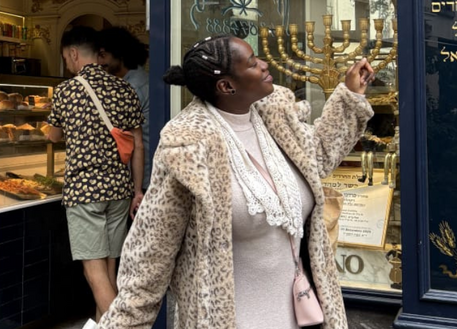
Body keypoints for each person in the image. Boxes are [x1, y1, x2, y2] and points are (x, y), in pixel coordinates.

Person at [99, 34, 374, 329]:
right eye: (253, 63)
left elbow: (318, 155)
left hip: (305, 316)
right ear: (226, 86)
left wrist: (351, 96)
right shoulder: (188, 149)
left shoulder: (277, 119)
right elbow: (151, 256)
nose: (265, 64)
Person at [47, 26, 145, 322]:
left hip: (84, 191)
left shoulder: (67, 90)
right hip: (119, 190)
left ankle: (124, 326)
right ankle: (104, 323)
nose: (67, 63)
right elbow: (137, 145)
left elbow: (54, 135)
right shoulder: (124, 88)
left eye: (66, 58)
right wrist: (137, 191)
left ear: (73, 53)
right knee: (109, 269)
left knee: (94, 272)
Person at [97, 26, 151, 189]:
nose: (100, 62)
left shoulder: (132, 87)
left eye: (103, 55)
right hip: (141, 173)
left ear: (119, 54)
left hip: (139, 176)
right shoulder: (136, 80)